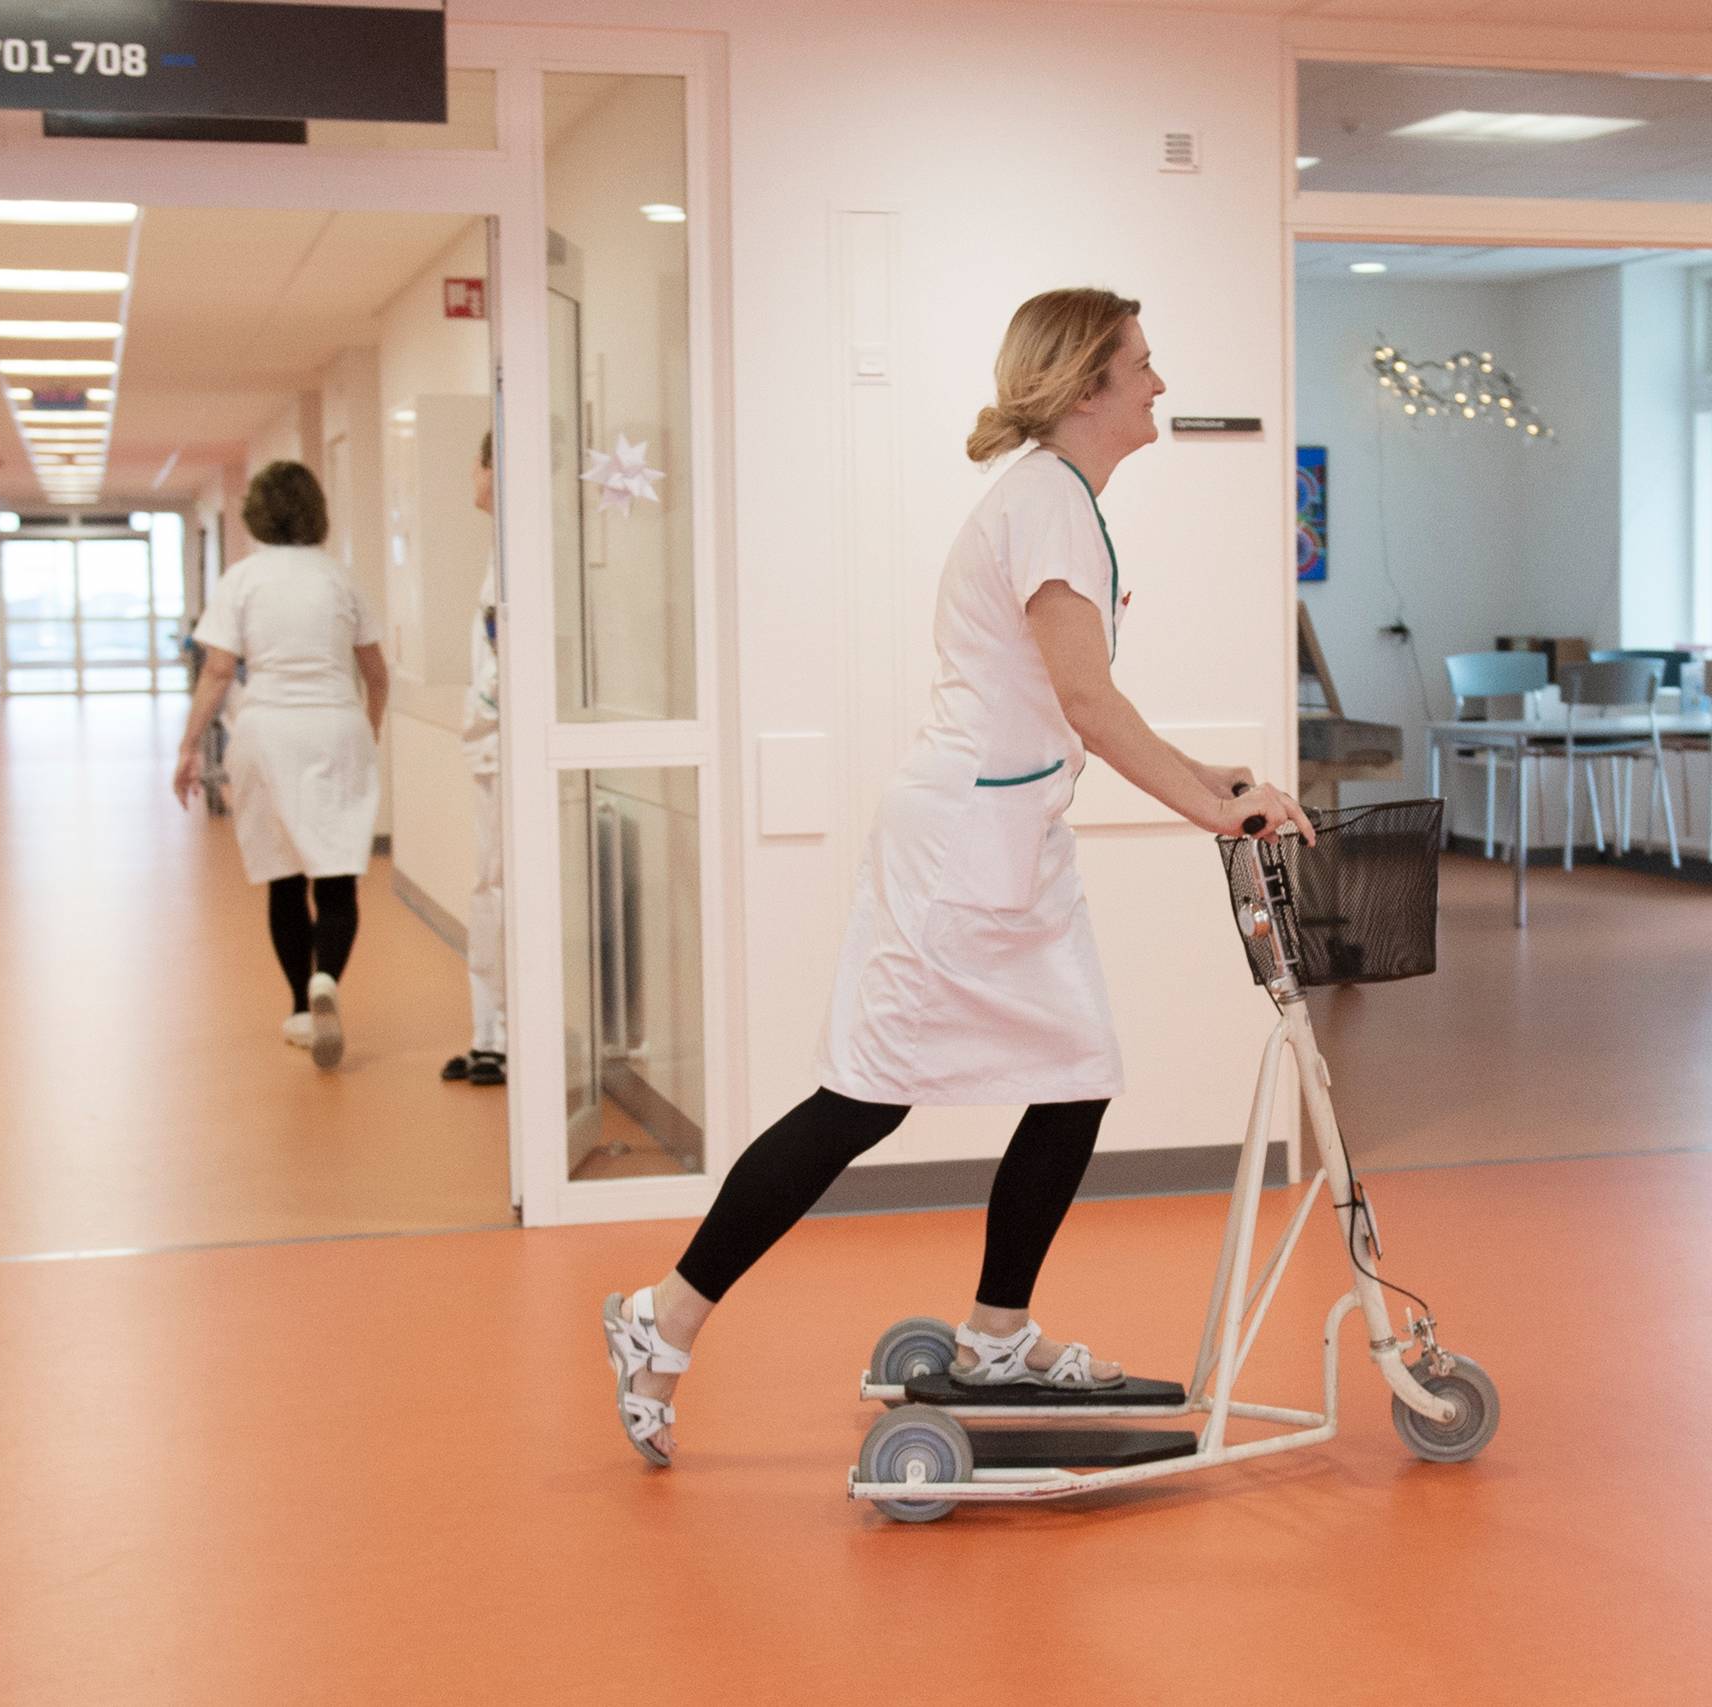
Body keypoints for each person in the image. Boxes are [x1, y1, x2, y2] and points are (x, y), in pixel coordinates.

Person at [601, 288, 1315, 1467]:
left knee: (1076, 1072)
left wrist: (1205, 774)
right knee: (863, 1098)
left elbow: (1069, 702)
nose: (1159, 383)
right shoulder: (1047, 505)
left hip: (1011, 842)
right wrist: (1207, 807)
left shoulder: (1061, 502)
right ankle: (659, 1317)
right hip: (958, 855)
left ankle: (994, 1333)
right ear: (1087, 383)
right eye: (1141, 364)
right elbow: (1085, 699)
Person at [174, 461, 390, 1070]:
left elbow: (219, 671)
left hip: (266, 729)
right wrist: (367, 723)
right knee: (338, 869)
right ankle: (328, 979)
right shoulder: (340, 579)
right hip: (335, 725)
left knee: (284, 875)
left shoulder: (241, 580)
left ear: (257, 514)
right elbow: (375, 671)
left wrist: (189, 747)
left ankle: (301, 1006)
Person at [442, 432, 507, 1088]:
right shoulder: (500, 552)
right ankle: (490, 1032)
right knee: (489, 887)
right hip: (490, 745)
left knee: (503, 888)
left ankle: (508, 1034)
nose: (471, 473)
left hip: (506, 748)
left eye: (478, 459)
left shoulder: (522, 553)